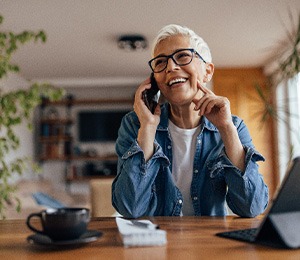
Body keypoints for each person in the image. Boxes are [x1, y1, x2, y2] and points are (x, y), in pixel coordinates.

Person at [112, 24, 269, 218]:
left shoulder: (234, 126)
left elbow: (252, 207)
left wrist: (226, 128)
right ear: (154, 80)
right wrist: (148, 128)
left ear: (207, 71)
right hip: (154, 241)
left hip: (209, 243)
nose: (171, 67)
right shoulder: (135, 124)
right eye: (160, 62)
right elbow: (129, 207)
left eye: (183, 56)